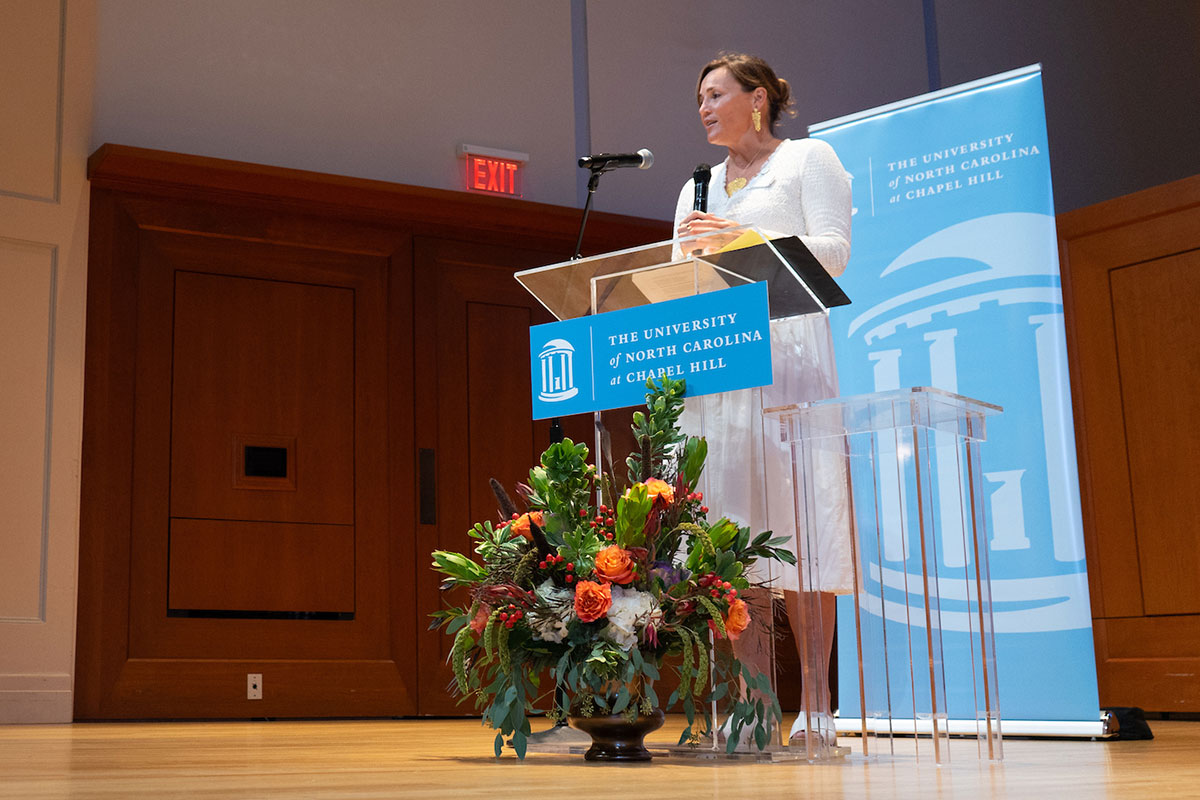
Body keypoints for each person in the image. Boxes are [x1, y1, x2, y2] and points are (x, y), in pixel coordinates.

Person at [673, 52, 853, 746]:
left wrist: (745, 238)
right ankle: (750, 709)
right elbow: (681, 274)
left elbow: (833, 251)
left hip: (792, 363)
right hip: (722, 372)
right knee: (736, 543)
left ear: (757, 98)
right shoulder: (697, 187)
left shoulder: (810, 161)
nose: (703, 107)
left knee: (804, 534)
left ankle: (816, 705)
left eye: (715, 94)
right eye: (698, 98)